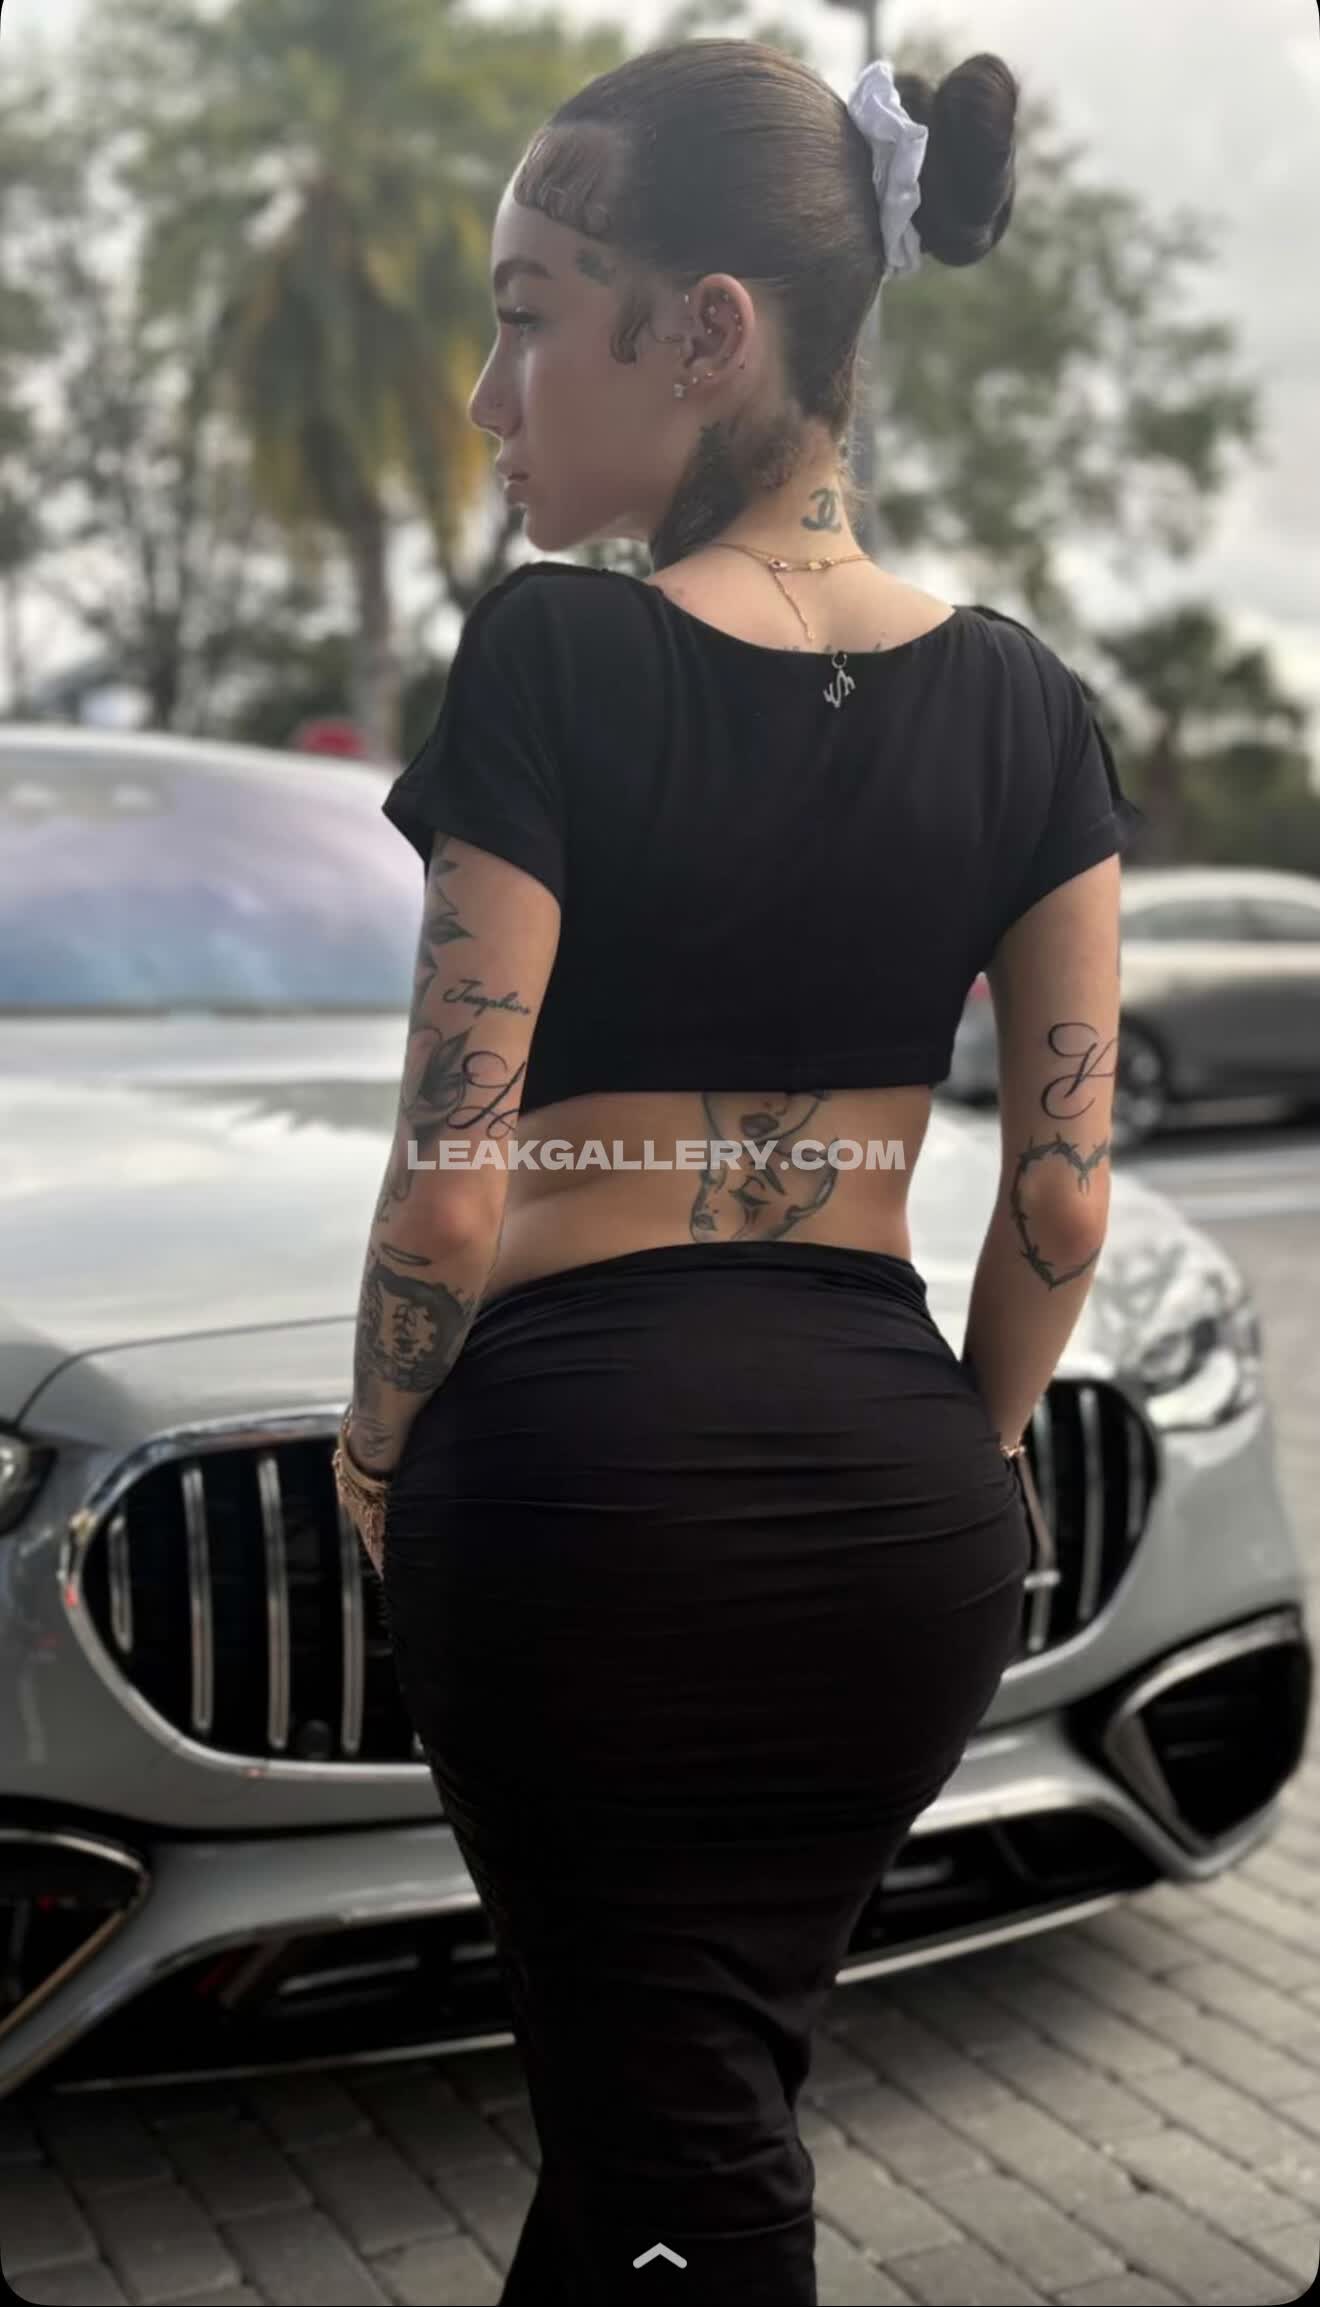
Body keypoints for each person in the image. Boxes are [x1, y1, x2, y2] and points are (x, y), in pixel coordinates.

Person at [331, 36, 1141, 2304]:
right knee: (679, 2108)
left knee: (684, 2153)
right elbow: (1062, 1203)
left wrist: (376, 1454)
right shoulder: (1033, 706)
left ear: (706, 332)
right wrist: (972, 1461)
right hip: (903, 1515)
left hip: (582, 1505)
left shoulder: (555, 654)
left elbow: (447, 1188)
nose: (488, 393)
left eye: (526, 314)